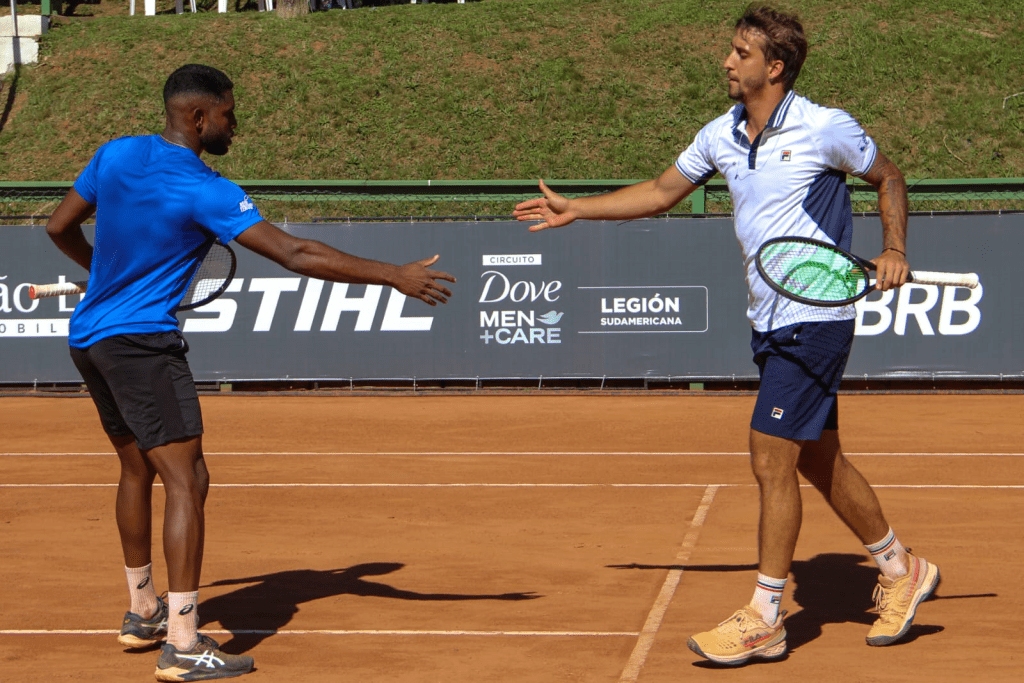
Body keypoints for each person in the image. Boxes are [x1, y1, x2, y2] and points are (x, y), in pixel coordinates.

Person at [514, 5, 939, 666]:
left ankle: (765, 617)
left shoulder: (825, 126)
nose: (727, 61)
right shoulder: (720, 134)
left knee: (770, 456)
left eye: (741, 53)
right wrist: (579, 210)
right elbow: (661, 191)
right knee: (817, 457)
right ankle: (901, 568)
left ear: (775, 66)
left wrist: (894, 247)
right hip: (767, 318)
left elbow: (889, 176)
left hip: (816, 316)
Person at [45, 63, 455, 681]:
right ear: (198, 117)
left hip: (90, 340)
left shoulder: (115, 154)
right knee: (188, 480)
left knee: (136, 469)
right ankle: (183, 643)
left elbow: (58, 226)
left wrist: (104, 275)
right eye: (228, 115)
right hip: (141, 346)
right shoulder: (205, 189)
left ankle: (143, 610)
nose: (235, 126)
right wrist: (394, 275)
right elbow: (295, 251)